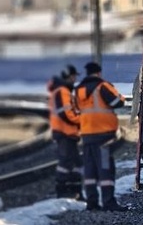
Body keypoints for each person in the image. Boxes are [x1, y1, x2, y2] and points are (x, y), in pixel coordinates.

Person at [75, 61, 128, 211]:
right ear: (98, 73)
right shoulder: (102, 86)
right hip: (103, 135)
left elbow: (77, 108)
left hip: (86, 134)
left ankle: (92, 202)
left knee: (90, 169)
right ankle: (108, 202)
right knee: (105, 168)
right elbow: (118, 102)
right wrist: (117, 93)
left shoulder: (78, 89)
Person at [48, 65, 82, 199]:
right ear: (68, 76)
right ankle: (62, 191)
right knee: (66, 163)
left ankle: (74, 191)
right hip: (65, 133)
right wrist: (80, 120)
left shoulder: (62, 90)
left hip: (68, 133)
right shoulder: (62, 91)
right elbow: (66, 114)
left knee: (74, 162)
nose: (75, 79)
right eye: (73, 76)